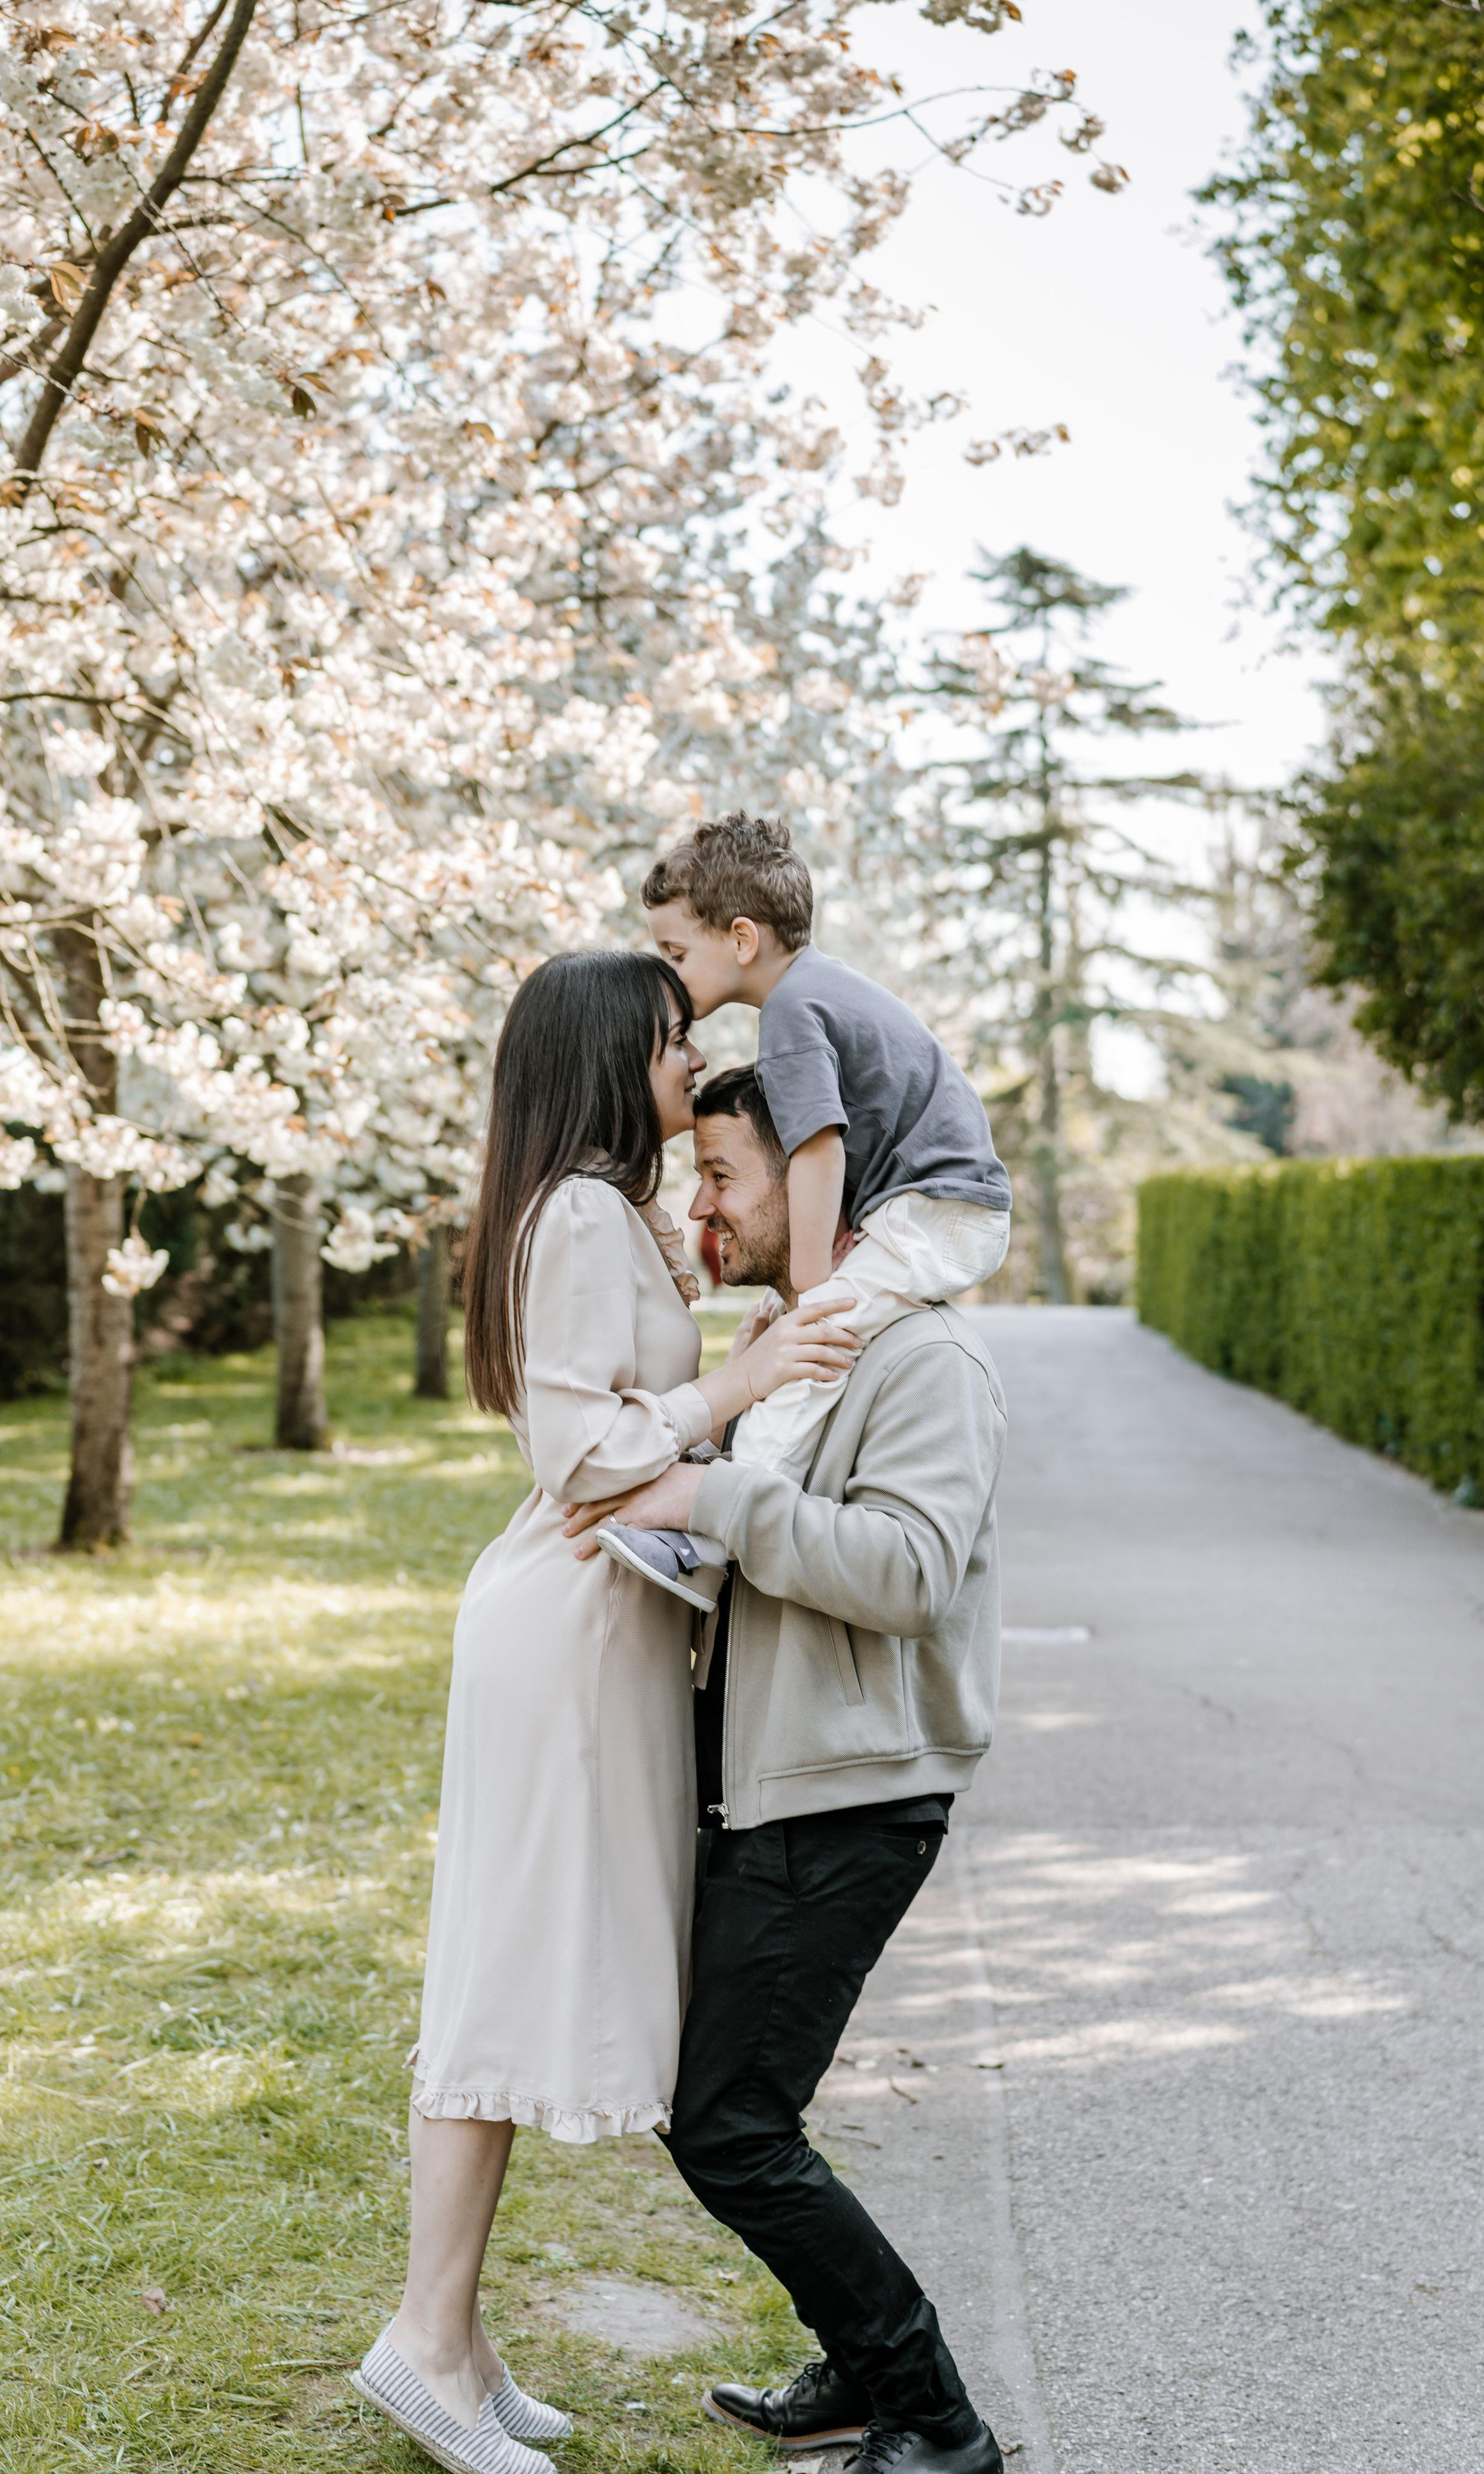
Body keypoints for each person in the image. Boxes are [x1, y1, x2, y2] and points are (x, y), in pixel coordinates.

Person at [352, 957, 858, 2474]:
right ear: (601, 1059)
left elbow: (616, 1441)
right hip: (566, 1632)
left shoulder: (590, 1208)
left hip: (599, 1625)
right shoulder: (573, 1208)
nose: (682, 1064)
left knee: (505, 1969)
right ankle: (425, 2343)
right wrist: (742, 1378)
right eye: (663, 1043)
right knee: (500, 1976)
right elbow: (580, 1453)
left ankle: (454, 2335)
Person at [563, 1060, 1010, 2474]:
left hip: (848, 1793)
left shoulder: (923, 1357)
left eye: (719, 1175)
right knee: (742, 2110)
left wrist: (720, 1498)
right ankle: (858, 2366)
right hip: (774, 1778)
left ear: (812, 1180)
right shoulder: (798, 1346)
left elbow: (910, 1569)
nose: (701, 1204)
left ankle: (932, 2415)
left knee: (730, 2125)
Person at [596, 811, 1011, 1612]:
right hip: (935, 1206)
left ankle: (706, 1535)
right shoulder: (820, 989)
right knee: (805, 1340)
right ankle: (731, 1504)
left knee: (811, 1351)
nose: (671, 980)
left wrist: (813, 1292)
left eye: (676, 955)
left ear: (742, 939)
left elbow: (819, 1150)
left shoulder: (790, 1011)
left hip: (941, 1208)